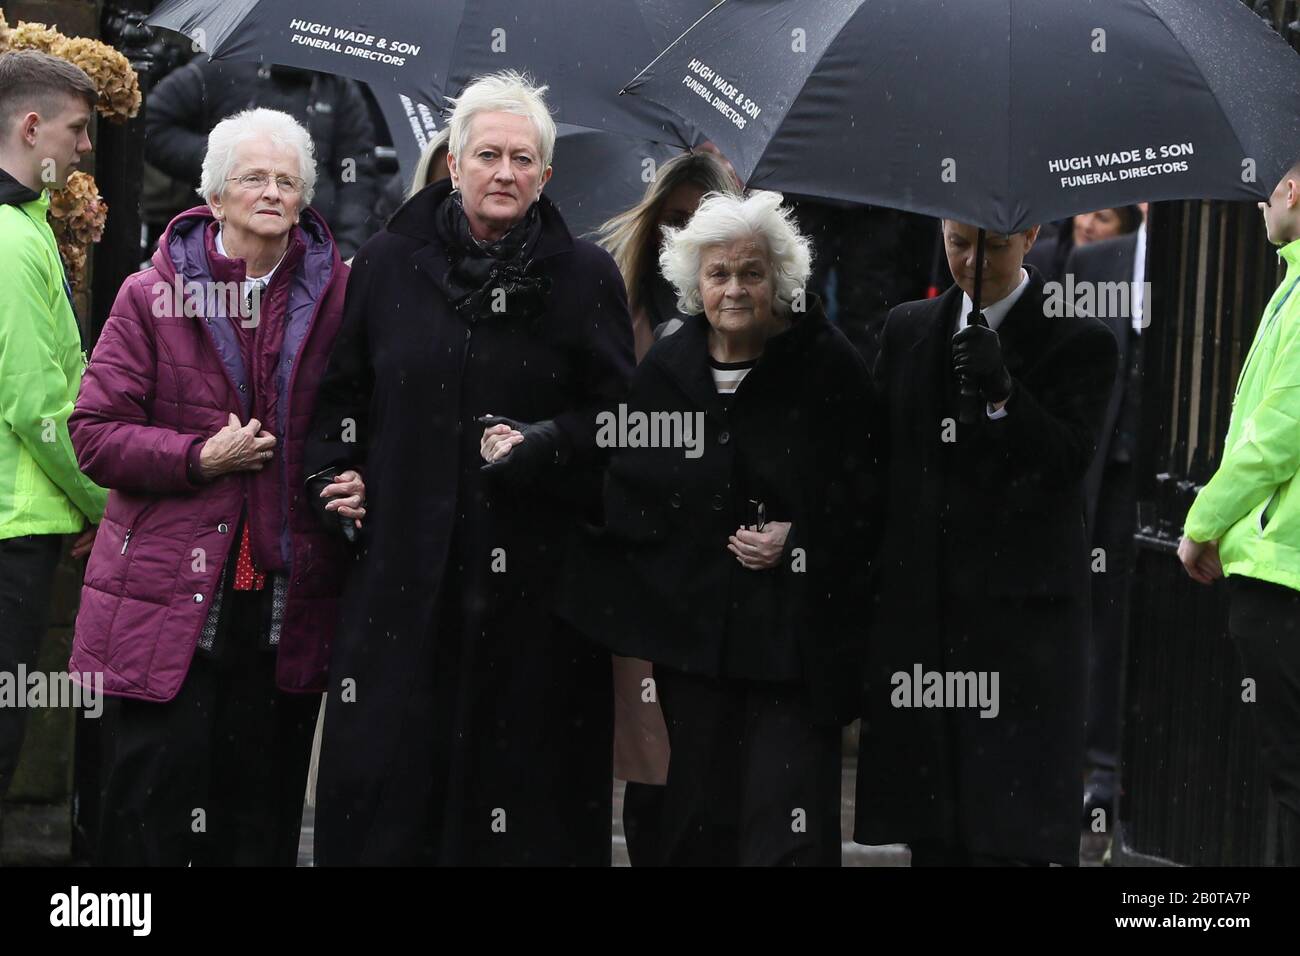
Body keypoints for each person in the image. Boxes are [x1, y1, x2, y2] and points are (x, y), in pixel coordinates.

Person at [305, 70, 634, 866]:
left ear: (546, 177)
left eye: (524, 160)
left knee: (521, 806)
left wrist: (547, 443)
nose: (505, 173)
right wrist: (332, 477)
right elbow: (338, 399)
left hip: (534, 595)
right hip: (403, 587)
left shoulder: (587, 276)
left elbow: (624, 423)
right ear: (453, 163)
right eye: (488, 155)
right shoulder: (386, 262)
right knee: (393, 792)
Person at [67, 108, 350, 865]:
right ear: (215, 197)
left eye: (287, 180)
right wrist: (199, 457)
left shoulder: (342, 300)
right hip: (165, 598)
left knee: (257, 822)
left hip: (283, 602)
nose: (271, 191)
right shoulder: (147, 294)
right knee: (149, 815)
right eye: (252, 177)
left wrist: (356, 477)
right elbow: (94, 433)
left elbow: (371, 421)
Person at [563, 191, 878, 866]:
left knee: (784, 835)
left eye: (752, 272)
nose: (735, 288)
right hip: (696, 648)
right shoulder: (667, 371)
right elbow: (630, 498)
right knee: (700, 828)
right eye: (719, 273)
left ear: (780, 278)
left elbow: (871, 498)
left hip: (795, 651)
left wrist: (801, 541)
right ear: (694, 282)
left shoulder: (828, 365)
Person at [856, 219, 1118, 866]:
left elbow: (1065, 463)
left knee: (1008, 835)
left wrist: (1004, 393)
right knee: (933, 836)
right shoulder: (910, 328)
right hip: (927, 622)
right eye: (959, 243)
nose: (973, 261)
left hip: (1019, 633)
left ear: (1030, 237)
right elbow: (873, 463)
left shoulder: (1079, 337)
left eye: (994, 245)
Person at [588, 150, 741, 865]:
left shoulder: (753, 320)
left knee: (709, 774)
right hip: (639, 574)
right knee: (652, 771)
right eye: (673, 220)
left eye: (700, 221)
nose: (683, 235)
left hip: (721, 580)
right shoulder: (617, 308)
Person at [1179, 162, 1300, 865]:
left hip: (1283, 575)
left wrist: (1203, 523)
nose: (1257, 207)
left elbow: (1275, 434)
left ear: (1293, 193)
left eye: (1265, 192)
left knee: (1291, 781)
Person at [0, 51, 107, 839]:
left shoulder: (24, 229)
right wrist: (109, 503)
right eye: (78, 129)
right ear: (31, 127)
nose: (87, 147)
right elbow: (38, 404)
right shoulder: (10, 240)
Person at [1064, 203, 1149, 833]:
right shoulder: (1094, 263)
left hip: (1166, 483)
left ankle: (1129, 770)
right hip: (1103, 477)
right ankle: (1094, 769)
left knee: (1143, 625)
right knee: (1096, 619)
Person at [146, 60, 379, 259]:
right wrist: (224, 161)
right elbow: (152, 123)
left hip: (312, 251)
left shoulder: (339, 89)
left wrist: (345, 252)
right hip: (215, 242)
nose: (271, 193)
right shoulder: (224, 67)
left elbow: (356, 177)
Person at [1026, 206, 1142, 284]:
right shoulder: (1039, 259)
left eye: (1102, 218)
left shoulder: (1136, 274)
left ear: (1125, 229)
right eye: (1084, 212)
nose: (1086, 225)